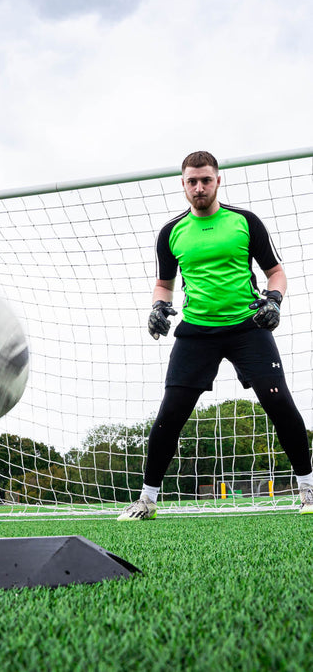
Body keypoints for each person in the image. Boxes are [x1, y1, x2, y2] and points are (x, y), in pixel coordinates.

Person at [118, 150, 313, 520]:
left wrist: (274, 301)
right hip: (196, 332)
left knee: (279, 403)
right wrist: (158, 307)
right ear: (183, 185)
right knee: (170, 414)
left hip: (247, 327)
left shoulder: (245, 222)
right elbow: (164, 284)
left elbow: (275, 273)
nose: (199, 187)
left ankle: (308, 489)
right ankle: (147, 500)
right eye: (192, 181)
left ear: (218, 181)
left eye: (205, 180)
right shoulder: (171, 232)